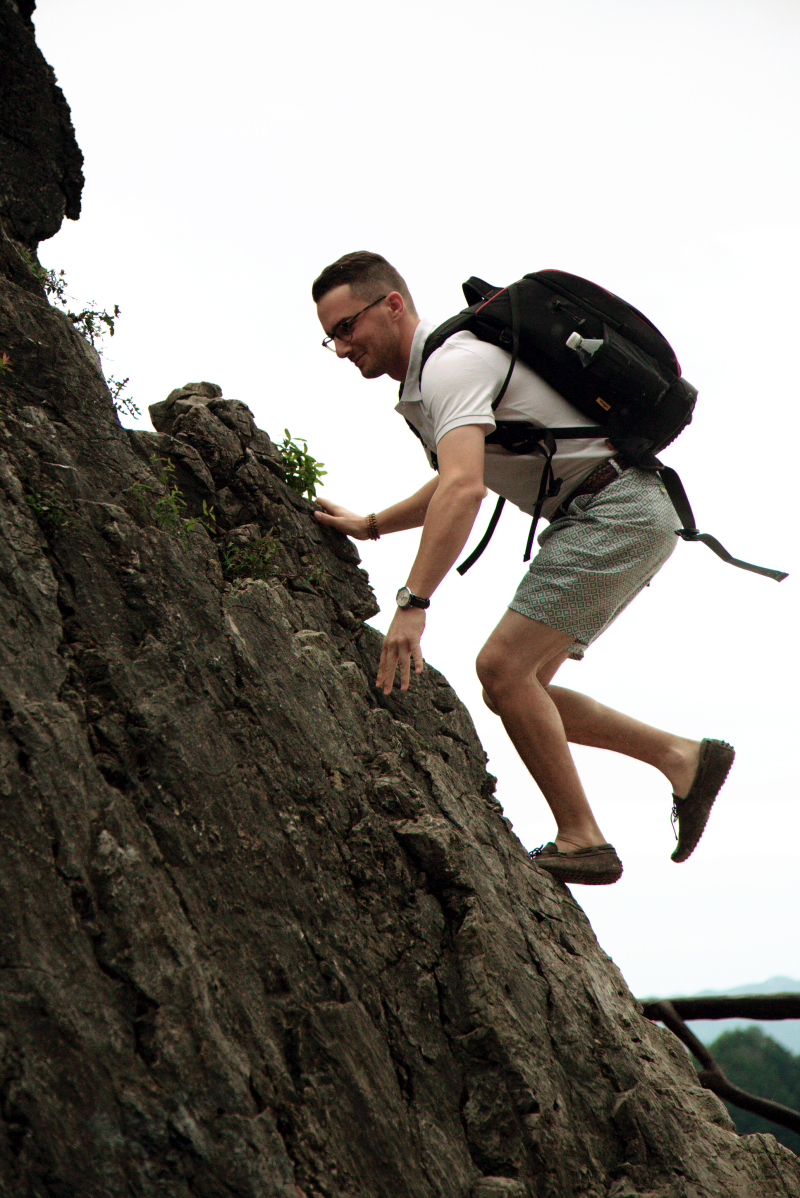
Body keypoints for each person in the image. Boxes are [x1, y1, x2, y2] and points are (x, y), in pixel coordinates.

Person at [311, 251, 734, 886]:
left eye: (347, 328)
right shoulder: (429, 383)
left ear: (392, 305)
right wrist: (371, 524)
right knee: (518, 685)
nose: (341, 348)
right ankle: (682, 759)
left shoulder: (452, 365)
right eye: (330, 337)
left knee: (502, 669)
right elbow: (457, 481)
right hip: (613, 509)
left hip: (612, 507)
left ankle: (583, 839)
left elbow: (463, 492)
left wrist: (411, 606)